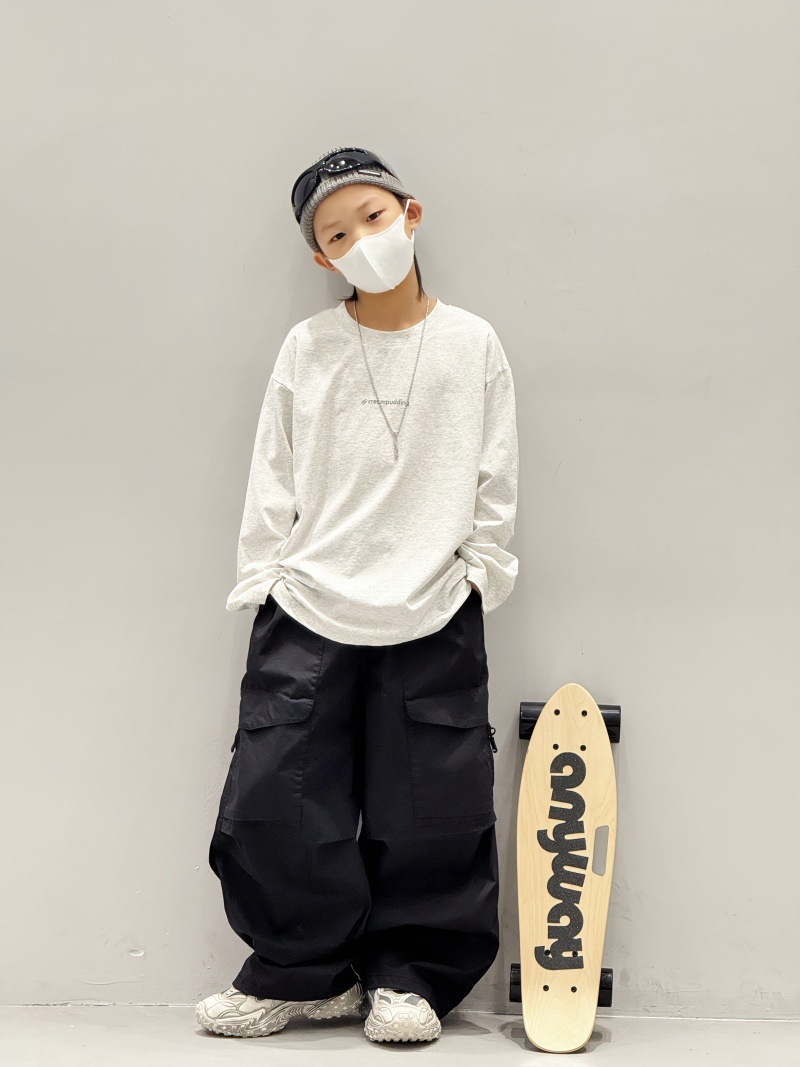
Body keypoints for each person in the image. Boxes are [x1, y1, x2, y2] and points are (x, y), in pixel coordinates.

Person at [197, 146, 519, 1043]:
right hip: (310, 600)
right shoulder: (309, 346)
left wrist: (479, 571)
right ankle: (299, 973)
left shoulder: (471, 342)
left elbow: (496, 471)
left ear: (410, 214)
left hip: (433, 601)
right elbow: (273, 468)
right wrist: (265, 576)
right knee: (279, 793)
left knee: (434, 797)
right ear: (320, 256)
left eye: (371, 217)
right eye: (336, 234)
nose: (360, 240)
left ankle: (410, 978)